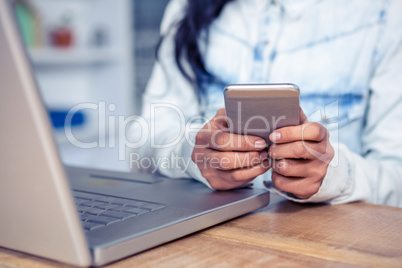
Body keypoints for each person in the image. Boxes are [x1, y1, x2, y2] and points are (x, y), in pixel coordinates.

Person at [132, 0, 402, 207]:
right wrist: (192, 153)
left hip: (328, 241)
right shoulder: (187, 8)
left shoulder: (386, 13)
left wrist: (335, 176)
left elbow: (396, 175)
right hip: (211, 235)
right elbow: (143, 140)